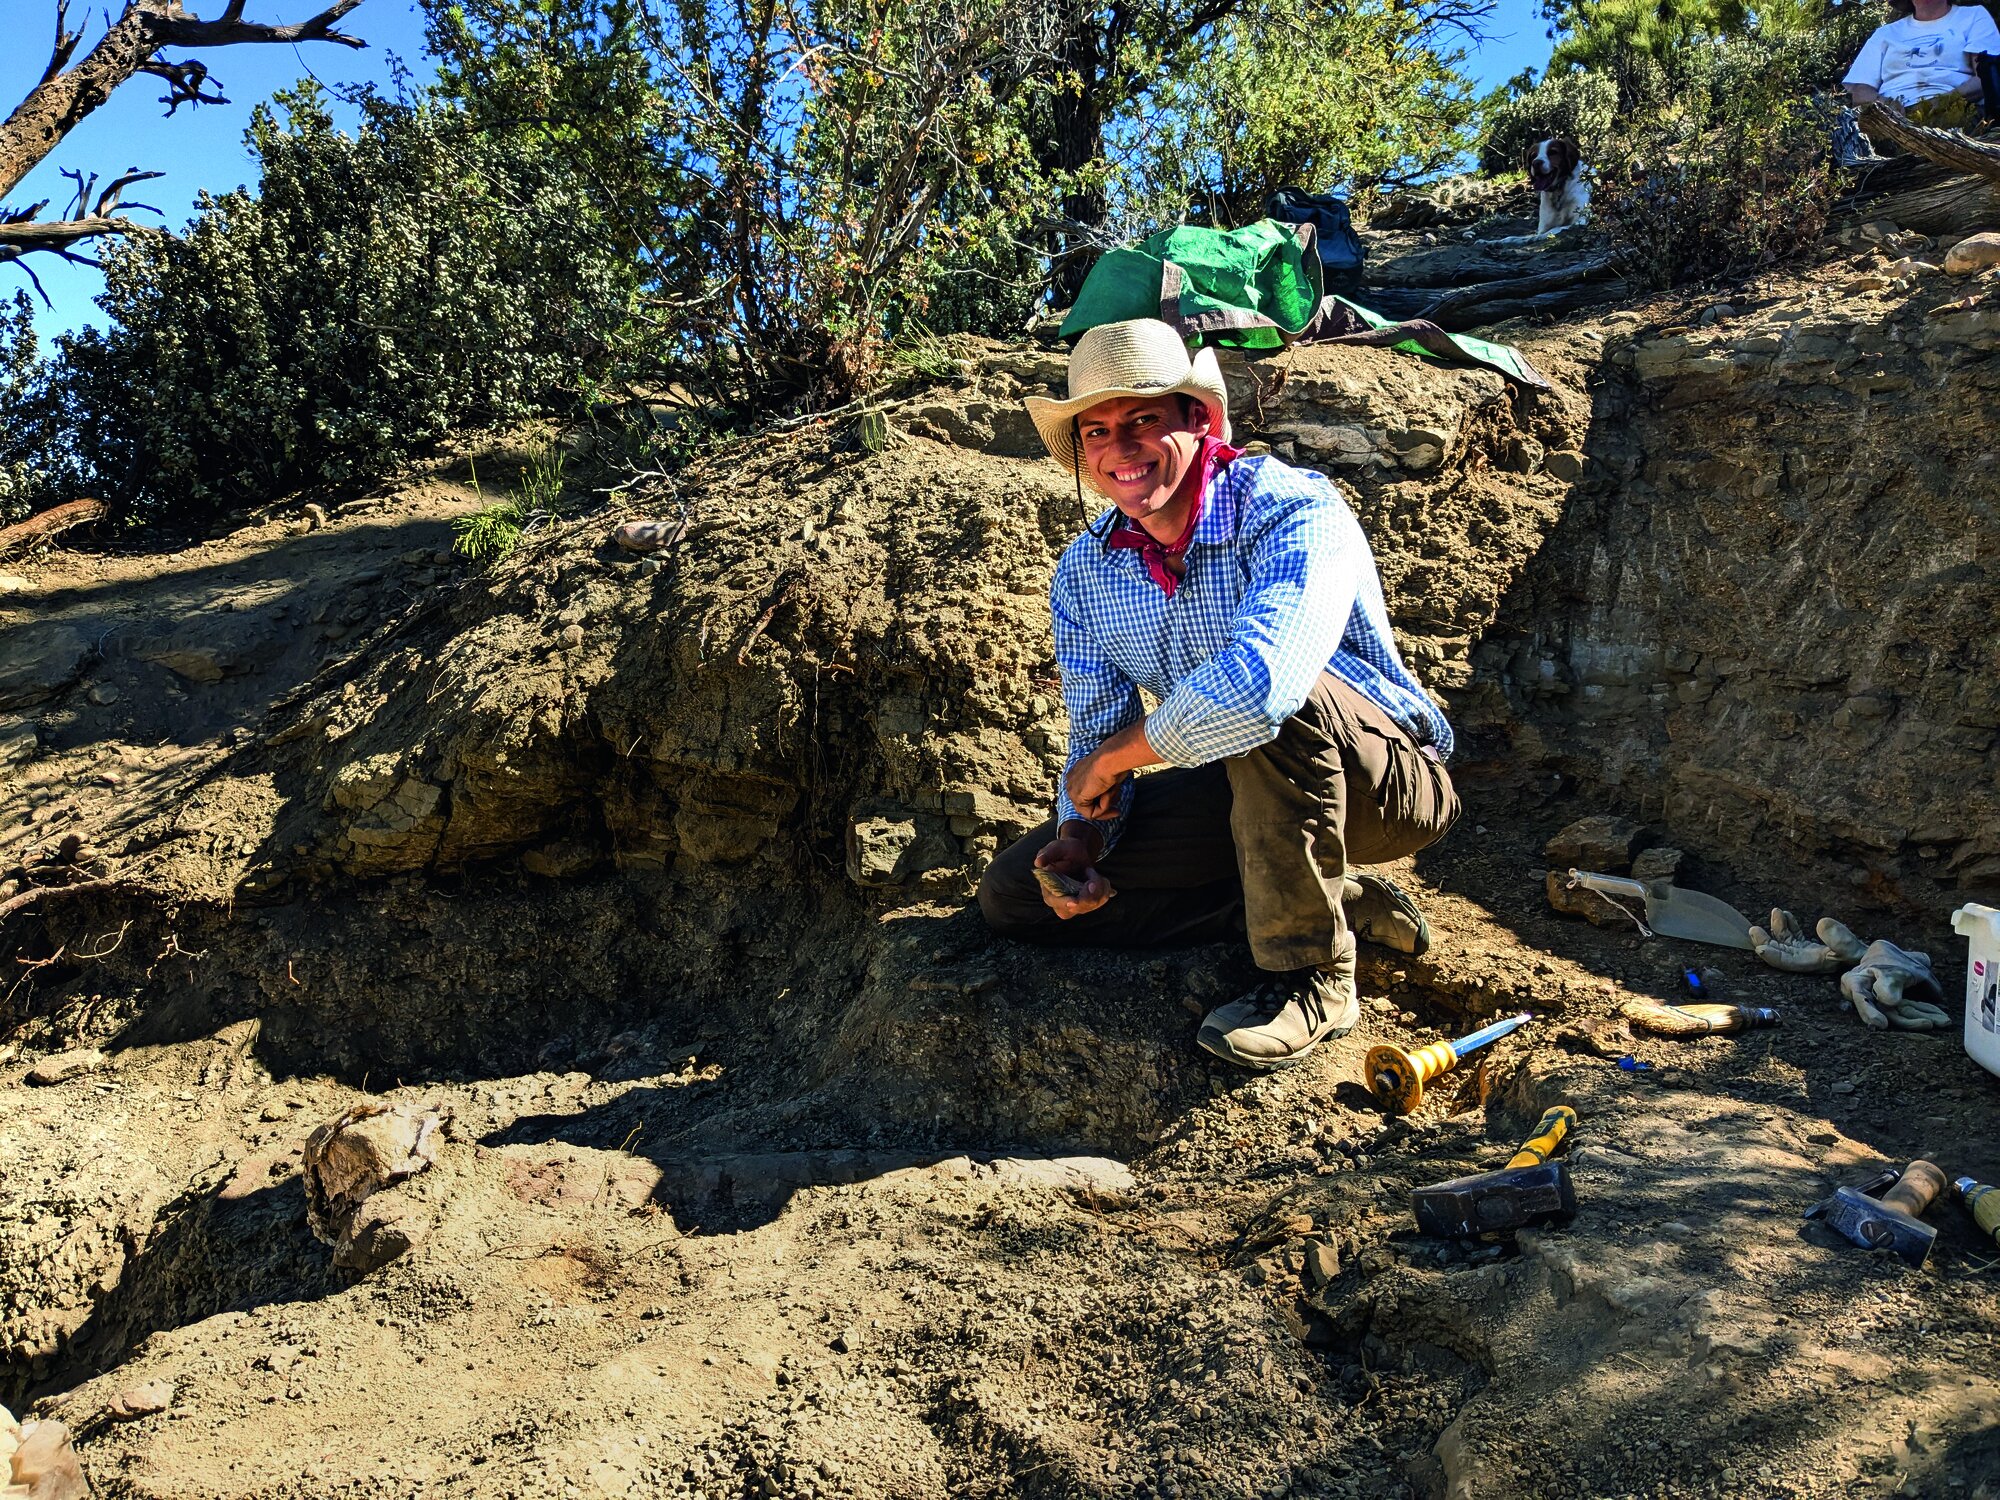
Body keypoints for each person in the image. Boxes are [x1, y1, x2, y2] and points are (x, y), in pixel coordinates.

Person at [976, 318, 1459, 1072]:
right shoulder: (1085, 571)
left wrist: (1112, 762)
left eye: (1144, 420)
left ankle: (1312, 976)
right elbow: (1098, 728)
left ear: (1198, 421)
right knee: (1014, 895)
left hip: (1385, 784)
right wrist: (1085, 837)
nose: (1120, 448)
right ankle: (1327, 903)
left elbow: (1262, 688)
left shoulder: (1291, 507)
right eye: (1097, 431)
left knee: (1272, 703)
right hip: (1254, 790)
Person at [1844, 0, 2000, 132]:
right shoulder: (1885, 34)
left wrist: (1945, 100)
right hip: (1893, 119)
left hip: (1957, 110)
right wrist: (1886, 105)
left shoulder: (1973, 17)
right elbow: (1861, 92)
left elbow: (1985, 78)